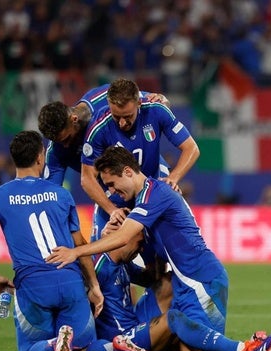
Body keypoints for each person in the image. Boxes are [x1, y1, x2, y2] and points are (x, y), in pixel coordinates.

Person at [45, 147, 271, 351]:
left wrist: (76, 251)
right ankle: (257, 344)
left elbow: (125, 237)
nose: (111, 192)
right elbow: (137, 252)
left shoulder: (154, 194)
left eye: (112, 185)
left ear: (128, 172)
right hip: (185, 281)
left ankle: (265, 345)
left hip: (201, 279)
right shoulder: (147, 198)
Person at [0, 131, 156, 351]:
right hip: (70, 280)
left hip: (32, 283)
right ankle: (115, 346)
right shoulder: (61, 194)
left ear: (13, 159)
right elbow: (79, 245)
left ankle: (54, 343)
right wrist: (94, 286)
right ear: (40, 157)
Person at [97, 220, 271, 351]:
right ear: (120, 237)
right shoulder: (96, 266)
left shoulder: (122, 263)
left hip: (136, 326)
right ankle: (250, 348)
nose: (140, 250)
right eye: (139, 243)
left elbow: (152, 279)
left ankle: (256, 346)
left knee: (170, 284)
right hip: (121, 340)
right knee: (184, 345)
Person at [37, 83, 169, 242]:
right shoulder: (56, 151)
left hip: (147, 173)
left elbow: (154, 103)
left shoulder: (102, 98)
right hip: (112, 193)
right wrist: (112, 210)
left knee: (158, 245)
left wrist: (162, 100)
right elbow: (50, 196)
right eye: (58, 142)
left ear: (74, 119)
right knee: (102, 252)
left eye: (67, 139)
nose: (65, 146)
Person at [79, 77, 199, 239]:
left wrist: (174, 178)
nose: (122, 123)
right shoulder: (99, 127)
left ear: (139, 104)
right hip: (117, 200)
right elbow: (87, 177)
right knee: (104, 256)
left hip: (151, 194)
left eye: (127, 116)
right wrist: (111, 209)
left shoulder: (156, 110)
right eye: (116, 116)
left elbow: (191, 148)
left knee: (158, 257)